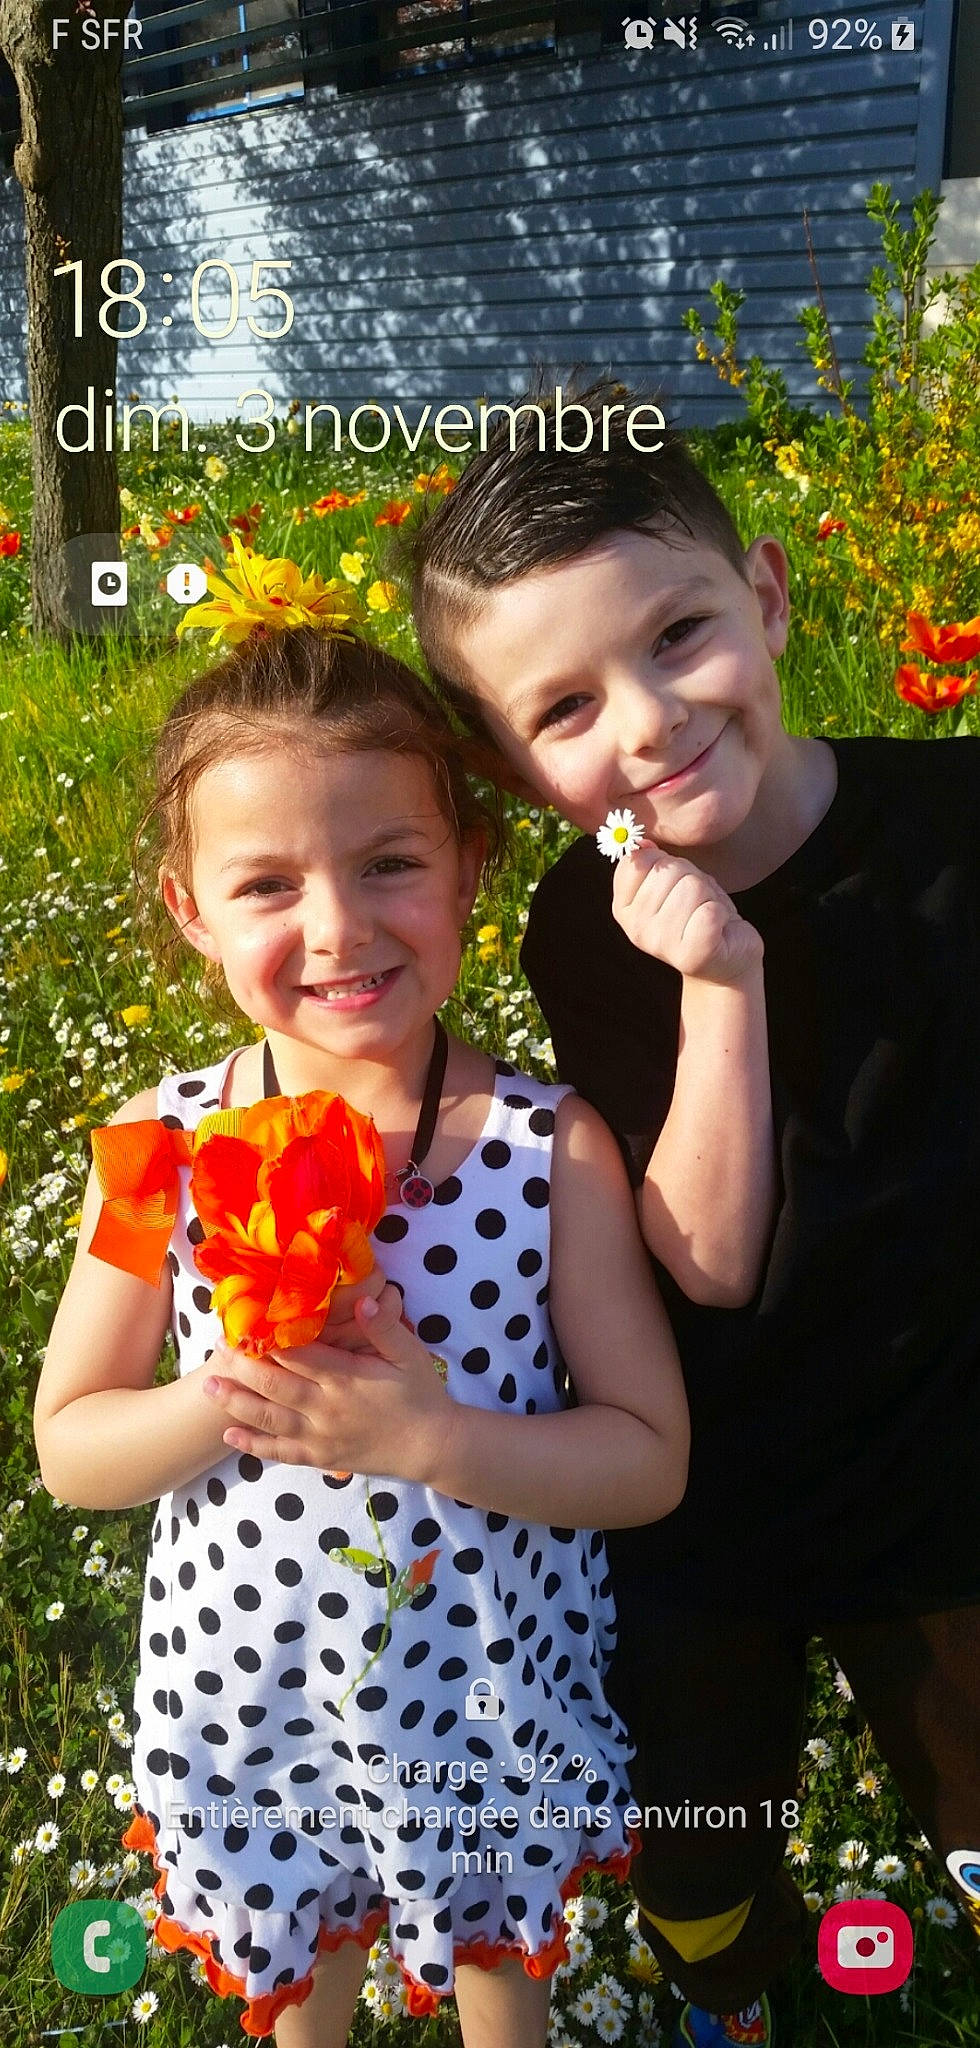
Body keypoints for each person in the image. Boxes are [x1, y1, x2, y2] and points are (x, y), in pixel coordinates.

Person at [390, 393, 980, 2047]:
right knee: (702, 1843)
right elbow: (706, 1258)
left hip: (949, 1484)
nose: (645, 723)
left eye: (680, 634)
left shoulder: (956, 829)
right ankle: (737, 2000)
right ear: (512, 763)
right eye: (564, 705)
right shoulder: (593, 930)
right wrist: (720, 982)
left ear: (772, 596)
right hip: (701, 1508)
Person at [34, 620, 689, 2048]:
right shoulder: (159, 1147)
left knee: (499, 1990)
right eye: (267, 884)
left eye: (390, 861)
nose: (336, 928)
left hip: (484, 1696)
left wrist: (435, 1437)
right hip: (252, 1698)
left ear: (470, 865)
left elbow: (648, 1459)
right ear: (192, 909)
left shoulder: (545, 1147)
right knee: (301, 2005)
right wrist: (234, 1394)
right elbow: (73, 1447)